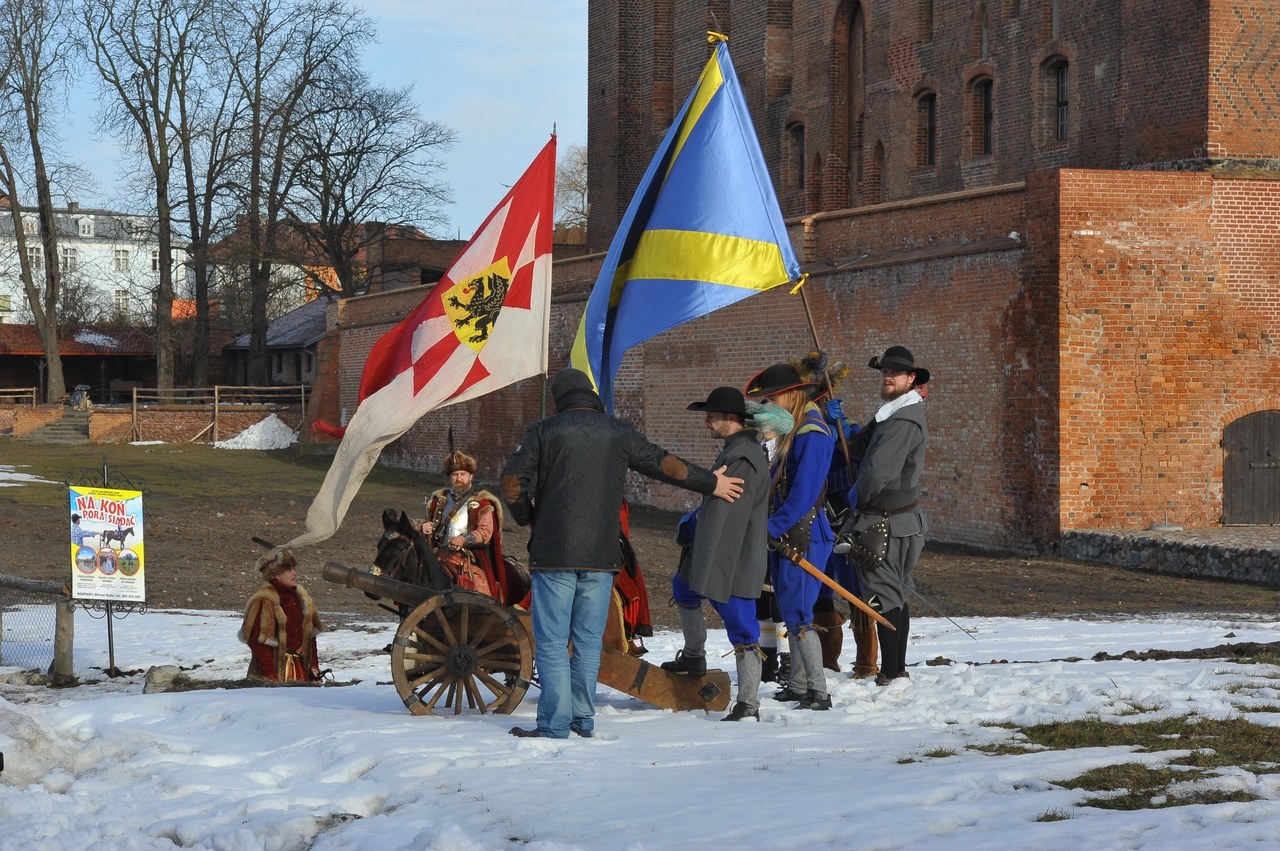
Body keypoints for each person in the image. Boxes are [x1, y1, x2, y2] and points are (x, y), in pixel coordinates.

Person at [500, 367, 744, 739]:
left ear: (560, 398)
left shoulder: (543, 431)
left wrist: (529, 519)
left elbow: (511, 483)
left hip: (554, 554)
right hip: (601, 555)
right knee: (587, 642)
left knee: (551, 642)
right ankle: (582, 719)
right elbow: (664, 464)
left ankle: (554, 724)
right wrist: (711, 482)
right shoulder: (619, 432)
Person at [660, 387, 770, 721]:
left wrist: (692, 526)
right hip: (715, 548)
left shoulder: (743, 457)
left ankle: (749, 703)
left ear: (731, 418)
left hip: (734, 555)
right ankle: (694, 656)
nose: (706, 422)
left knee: (742, 627)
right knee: (683, 588)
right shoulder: (735, 449)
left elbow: (726, 513)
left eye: (711, 416)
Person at [835, 345, 929, 686]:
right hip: (895, 520)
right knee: (895, 593)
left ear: (911, 378)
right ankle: (896, 669)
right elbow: (861, 446)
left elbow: (878, 472)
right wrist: (841, 425)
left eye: (895, 373)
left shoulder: (904, 419)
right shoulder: (890, 412)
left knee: (885, 595)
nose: (888, 377)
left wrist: (856, 496)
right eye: (885, 372)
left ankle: (889, 672)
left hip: (888, 522)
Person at [745, 362, 836, 710]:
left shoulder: (812, 432)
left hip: (806, 532)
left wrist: (770, 527)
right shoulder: (793, 429)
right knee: (790, 609)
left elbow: (802, 495)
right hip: (789, 532)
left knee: (798, 612)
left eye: (773, 398)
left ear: (793, 395)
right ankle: (798, 684)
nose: (769, 406)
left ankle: (818, 690)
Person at [420, 450, 511, 602]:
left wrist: (463, 539)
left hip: (467, 559)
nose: (459, 478)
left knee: (482, 594)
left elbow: (485, 532)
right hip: (438, 554)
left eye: (463, 474)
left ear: (471, 476)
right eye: (455, 475)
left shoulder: (483, 503)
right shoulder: (439, 501)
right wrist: (424, 527)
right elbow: (428, 523)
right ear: (450, 477)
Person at [239, 549, 325, 683]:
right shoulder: (265, 601)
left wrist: (313, 666)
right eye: (289, 570)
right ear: (277, 575)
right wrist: (271, 678)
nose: (294, 573)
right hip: (273, 672)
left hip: (300, 672)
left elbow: (310, 638)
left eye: (294, 569)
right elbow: (259, 645)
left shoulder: (302, 599)